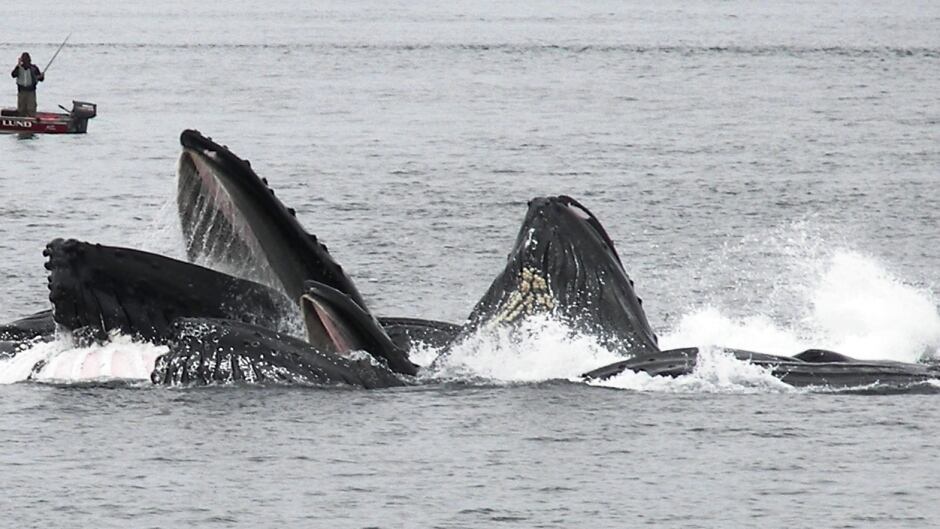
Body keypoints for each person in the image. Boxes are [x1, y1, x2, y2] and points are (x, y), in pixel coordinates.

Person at [11, 52, 44, 117]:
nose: (26, 61)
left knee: (31, 108)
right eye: (24, 59)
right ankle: (21, 121)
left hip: (31, 91)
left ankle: (31, 120)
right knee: (21, 109)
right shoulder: (18, 68)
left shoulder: (34, 68)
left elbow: (41, 79)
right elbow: (13, 75)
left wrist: (41, 76)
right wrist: (18, 65)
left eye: (27, 60)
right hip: (21, 91)